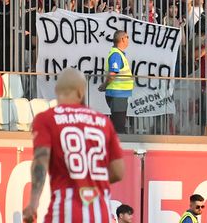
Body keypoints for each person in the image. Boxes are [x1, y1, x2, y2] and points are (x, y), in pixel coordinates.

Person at [23, 68, 125, 223]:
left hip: (65, 212)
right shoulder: (103, 122)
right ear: (81, 91)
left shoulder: (47, 119)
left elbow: (40, 162)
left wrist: (33, 203)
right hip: (100, 213)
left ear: (57, 91)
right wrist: (91, 181)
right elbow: (118, 171)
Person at [105, 30, 133, 134]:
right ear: (122, 39)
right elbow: (113, 74)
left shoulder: (118, 54)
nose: (128, 40)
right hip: (117, 94)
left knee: (117, 124)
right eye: (127, 37)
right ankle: (119, 149)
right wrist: (104, 85)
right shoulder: (116, 55)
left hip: (120, 94)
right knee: (119, 127)